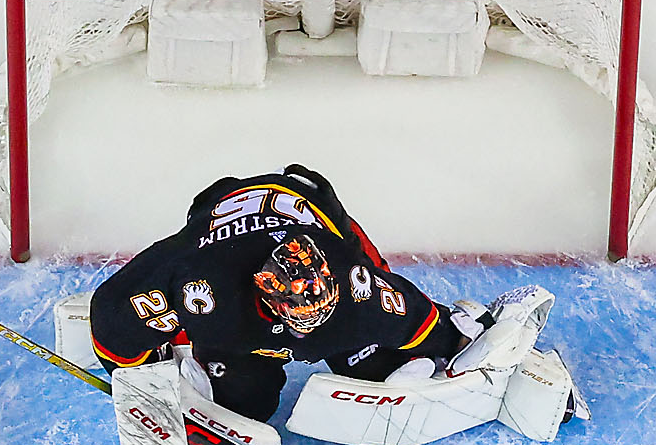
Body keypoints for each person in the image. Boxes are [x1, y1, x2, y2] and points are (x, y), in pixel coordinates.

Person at [89, 164, 475, 423]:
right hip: (218, 218)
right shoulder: (201, 287)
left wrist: (456, 340)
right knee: (245, 404)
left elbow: (410, 313)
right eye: (301, 313)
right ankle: (188, 354)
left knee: (373, 362)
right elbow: (112, 315)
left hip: (312, 206)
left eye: (320, 309)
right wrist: (145, 377)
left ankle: (381, 357)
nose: (310, 325)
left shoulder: (352, 279)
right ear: (265, 292)